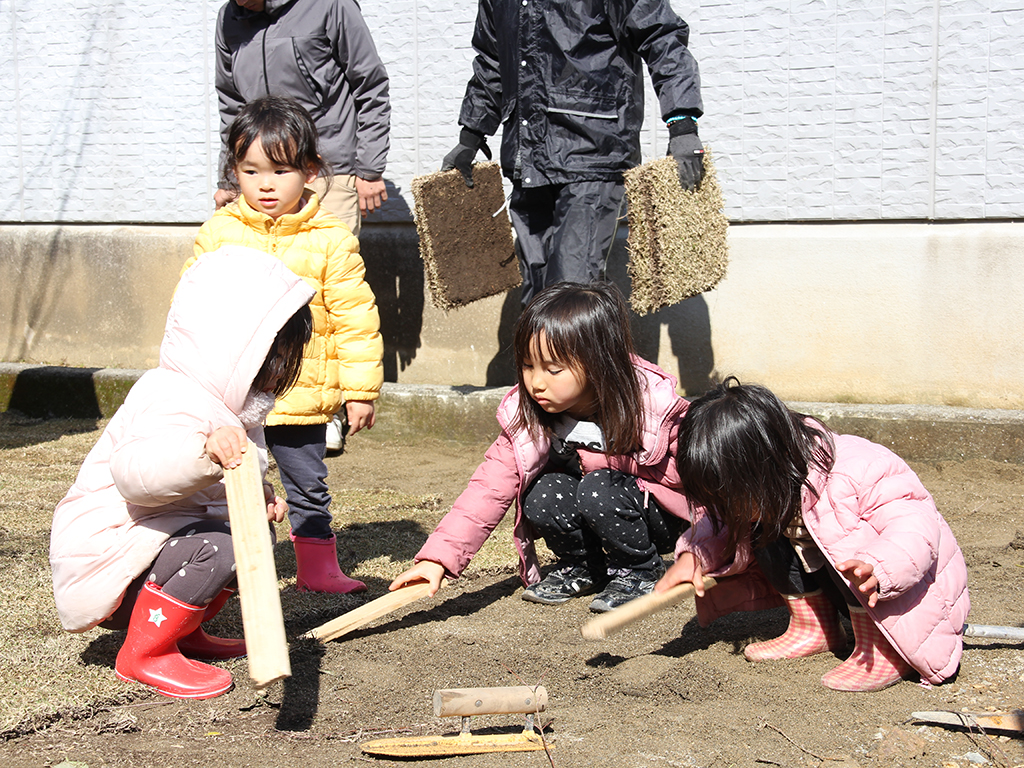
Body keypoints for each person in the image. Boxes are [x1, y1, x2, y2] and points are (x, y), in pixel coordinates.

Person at [49, 248, 315, 699]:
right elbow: (137, 476)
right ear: (234, 348)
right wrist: (204, 454)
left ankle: (181, 630)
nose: (281, 373)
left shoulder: (232, 409)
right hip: (109, 555)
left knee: (251, 540)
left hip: (152, 543)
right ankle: (144, 652)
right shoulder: (170, 395)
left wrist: (258, 495)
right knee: (221, 549)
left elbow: (219, 487)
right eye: (276, 357)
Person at [390, 281, 691, 612]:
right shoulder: (532, 413)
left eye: (553, 369)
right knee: (543, 492)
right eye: (528, 365)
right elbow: (490, 486)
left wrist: (709, 549)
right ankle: (583, 565)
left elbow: (707, 478)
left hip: (658, 519)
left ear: (599, 363)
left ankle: (639, 572)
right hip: (599, 507)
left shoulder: (652, 408)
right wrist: (438, 560)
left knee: (598, 487)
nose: (536, 382)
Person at [187, 95, 385, 594]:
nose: (265, 184)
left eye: (279, 170)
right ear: (235, 171)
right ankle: (234, 568)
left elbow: (355, 317)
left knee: (307, 483)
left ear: (311, 170)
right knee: (231, 480)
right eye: (251, 171)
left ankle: (318, 568)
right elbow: (192, 310)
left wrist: (360, 390)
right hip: (235, 392)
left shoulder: (331, 239)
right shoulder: (219, 233)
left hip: (303, 389)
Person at [660, 379, 970, 692]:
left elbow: (916, 529)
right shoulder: (773, 484)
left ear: (765, 464)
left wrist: (880, 566)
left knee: (847, 545)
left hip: (899, 594)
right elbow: (719, 524)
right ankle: (813, 627)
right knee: (758, 529)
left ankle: (879, 648)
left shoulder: (859, 469)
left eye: (731, 497)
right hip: (845, 590)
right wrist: (693, 555)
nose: (727, 509)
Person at [441, 0, 705, 305]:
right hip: (528, 158)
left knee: (570, 298)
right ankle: (563, 353)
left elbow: (662, 37)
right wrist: (471, 135)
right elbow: (492, 61)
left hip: (593, 154)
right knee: (537, 301)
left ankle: (591, 352)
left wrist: (682, 121)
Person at [214, 0, 391, 236]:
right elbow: (232, 107)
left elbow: (371, 87)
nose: (242, 3)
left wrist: (369, 169)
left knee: (330, 266)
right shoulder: (228, 17)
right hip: (261, 178)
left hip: (328, 171)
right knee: (262, 270)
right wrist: (229, 180)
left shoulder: (330, 5)